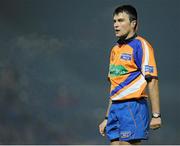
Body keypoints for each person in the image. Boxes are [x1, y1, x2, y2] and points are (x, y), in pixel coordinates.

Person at [99, 5, 162, 145]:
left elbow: (152, 80)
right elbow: (115, 86)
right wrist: (107, 117)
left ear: (133, 23)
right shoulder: (115, 49)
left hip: (133, 106)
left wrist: (156, 115)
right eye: (114, 21)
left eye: (121, 20)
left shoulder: (141, 45)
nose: (116, 25)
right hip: (115, 108)